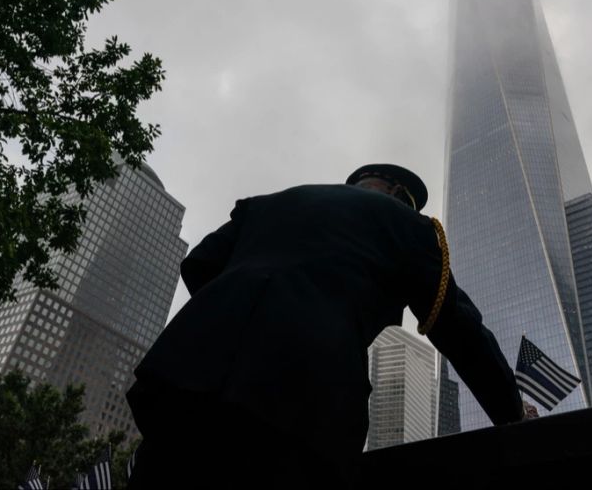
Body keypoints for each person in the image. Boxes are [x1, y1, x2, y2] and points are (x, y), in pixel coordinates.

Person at [126, 164, 524, 488]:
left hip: (187, 378)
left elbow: (200, 264)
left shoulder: (271, 202)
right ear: (401, 197)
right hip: (303, 401)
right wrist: (512, 413)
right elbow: (456, 325)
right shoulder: (409, 226)